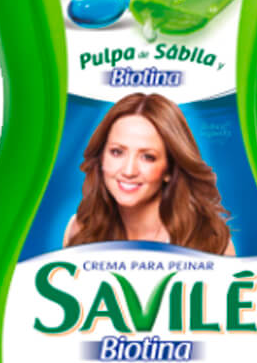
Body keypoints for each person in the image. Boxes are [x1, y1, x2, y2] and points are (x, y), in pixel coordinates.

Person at [63, 92, 234, 255]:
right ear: (101, 158)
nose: (129, 171)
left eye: (147, 157)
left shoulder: (211, 241)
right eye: (117, 152)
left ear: (169, 169)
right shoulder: (79, 230)